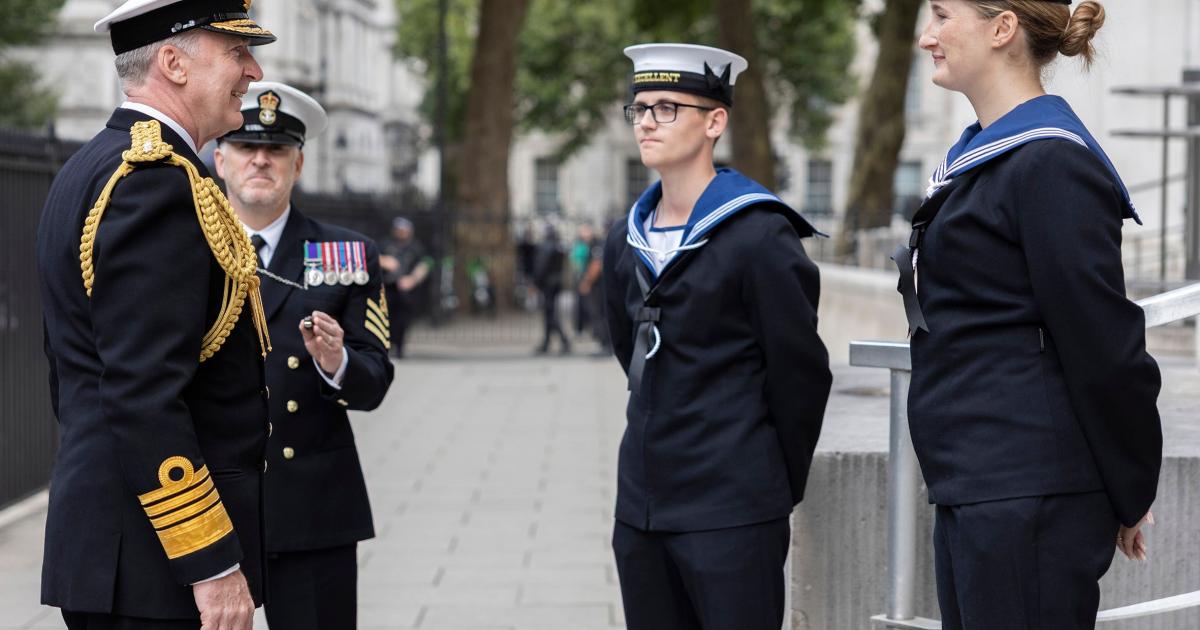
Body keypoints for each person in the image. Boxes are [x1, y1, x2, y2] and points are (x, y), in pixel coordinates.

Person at [895, 2, 1163, 628]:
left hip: (1027, 495)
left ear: (1002, 27)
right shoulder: (987, 158)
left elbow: (1103, 343)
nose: (926, 36)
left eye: (941, 14)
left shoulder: (1051, 162)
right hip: (978, 484)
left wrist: (1130, 488)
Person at [36, 2, 276, 628]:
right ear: (172, 62)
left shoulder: (97, 164)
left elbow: (75, 375)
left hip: (120, 546)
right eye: (235, 53)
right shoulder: (152, 182)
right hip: (153, 566)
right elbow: (142, 393)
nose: (253, 72)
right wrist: (211, 563)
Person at [602, 43, 831, 630]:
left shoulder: (759, 235)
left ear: (715, 121)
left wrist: (765, 484)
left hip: (732, 508)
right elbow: (628, 347)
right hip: (642, 508)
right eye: (639, 107)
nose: (647, 120)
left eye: (667, 107)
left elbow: (799, 374)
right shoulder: (623, 239)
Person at [215, 81, 396, 629]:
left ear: (299, 164)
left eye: (277, 151)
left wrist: (335, 362)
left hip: (314, 504)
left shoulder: (342, 254)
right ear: (220, 160)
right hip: (213, 506)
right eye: (247, 149)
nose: (261, 160)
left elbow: (374, 381)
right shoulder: (190, 249)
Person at [379, 217, 432, 358]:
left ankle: (400, 347)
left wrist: (412, 279)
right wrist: (385, 261)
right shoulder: (385, 244)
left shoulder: (416, 247)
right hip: (388, 287)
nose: (401, 232)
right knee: (385, 318)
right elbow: (372, 257)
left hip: (406, 289)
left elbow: (425, 264)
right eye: (399, 230)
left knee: (403, 320)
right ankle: (386, 346)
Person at [533, 224, 570, 354]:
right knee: (549, 313)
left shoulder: (546, 247)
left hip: (547, 284)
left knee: (551, 314)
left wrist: (536, 282)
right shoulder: (558, 246)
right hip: (555, 283)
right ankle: (546, 342)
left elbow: (540, 266)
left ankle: (564, 341)